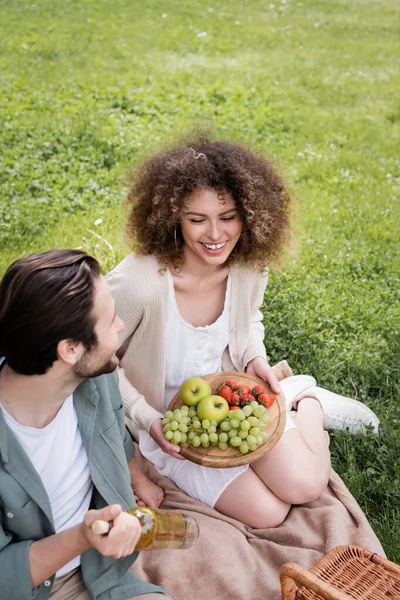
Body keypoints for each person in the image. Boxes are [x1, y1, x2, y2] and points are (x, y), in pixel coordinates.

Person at [107, 135, 380, 529]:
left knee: (305, 485)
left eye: (229, 217)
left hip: (235, 398)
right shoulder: (139, 283)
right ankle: (293, 397)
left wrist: (255, 358)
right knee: (267, 513)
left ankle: (306, 402)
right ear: (172, 219)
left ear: (248, 214)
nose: (216, 235)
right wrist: (145, 417)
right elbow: (96, 363)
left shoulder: (249, 265)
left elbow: (249, 318)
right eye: (197, 219)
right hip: (168, 425)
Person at [0, 250, 171, 600]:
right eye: (110, 321)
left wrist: (136, 478)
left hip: (101, 569)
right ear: (70, 349)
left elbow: (115, 433)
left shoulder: (93, 375)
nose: (120, 325)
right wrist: (83, 536)